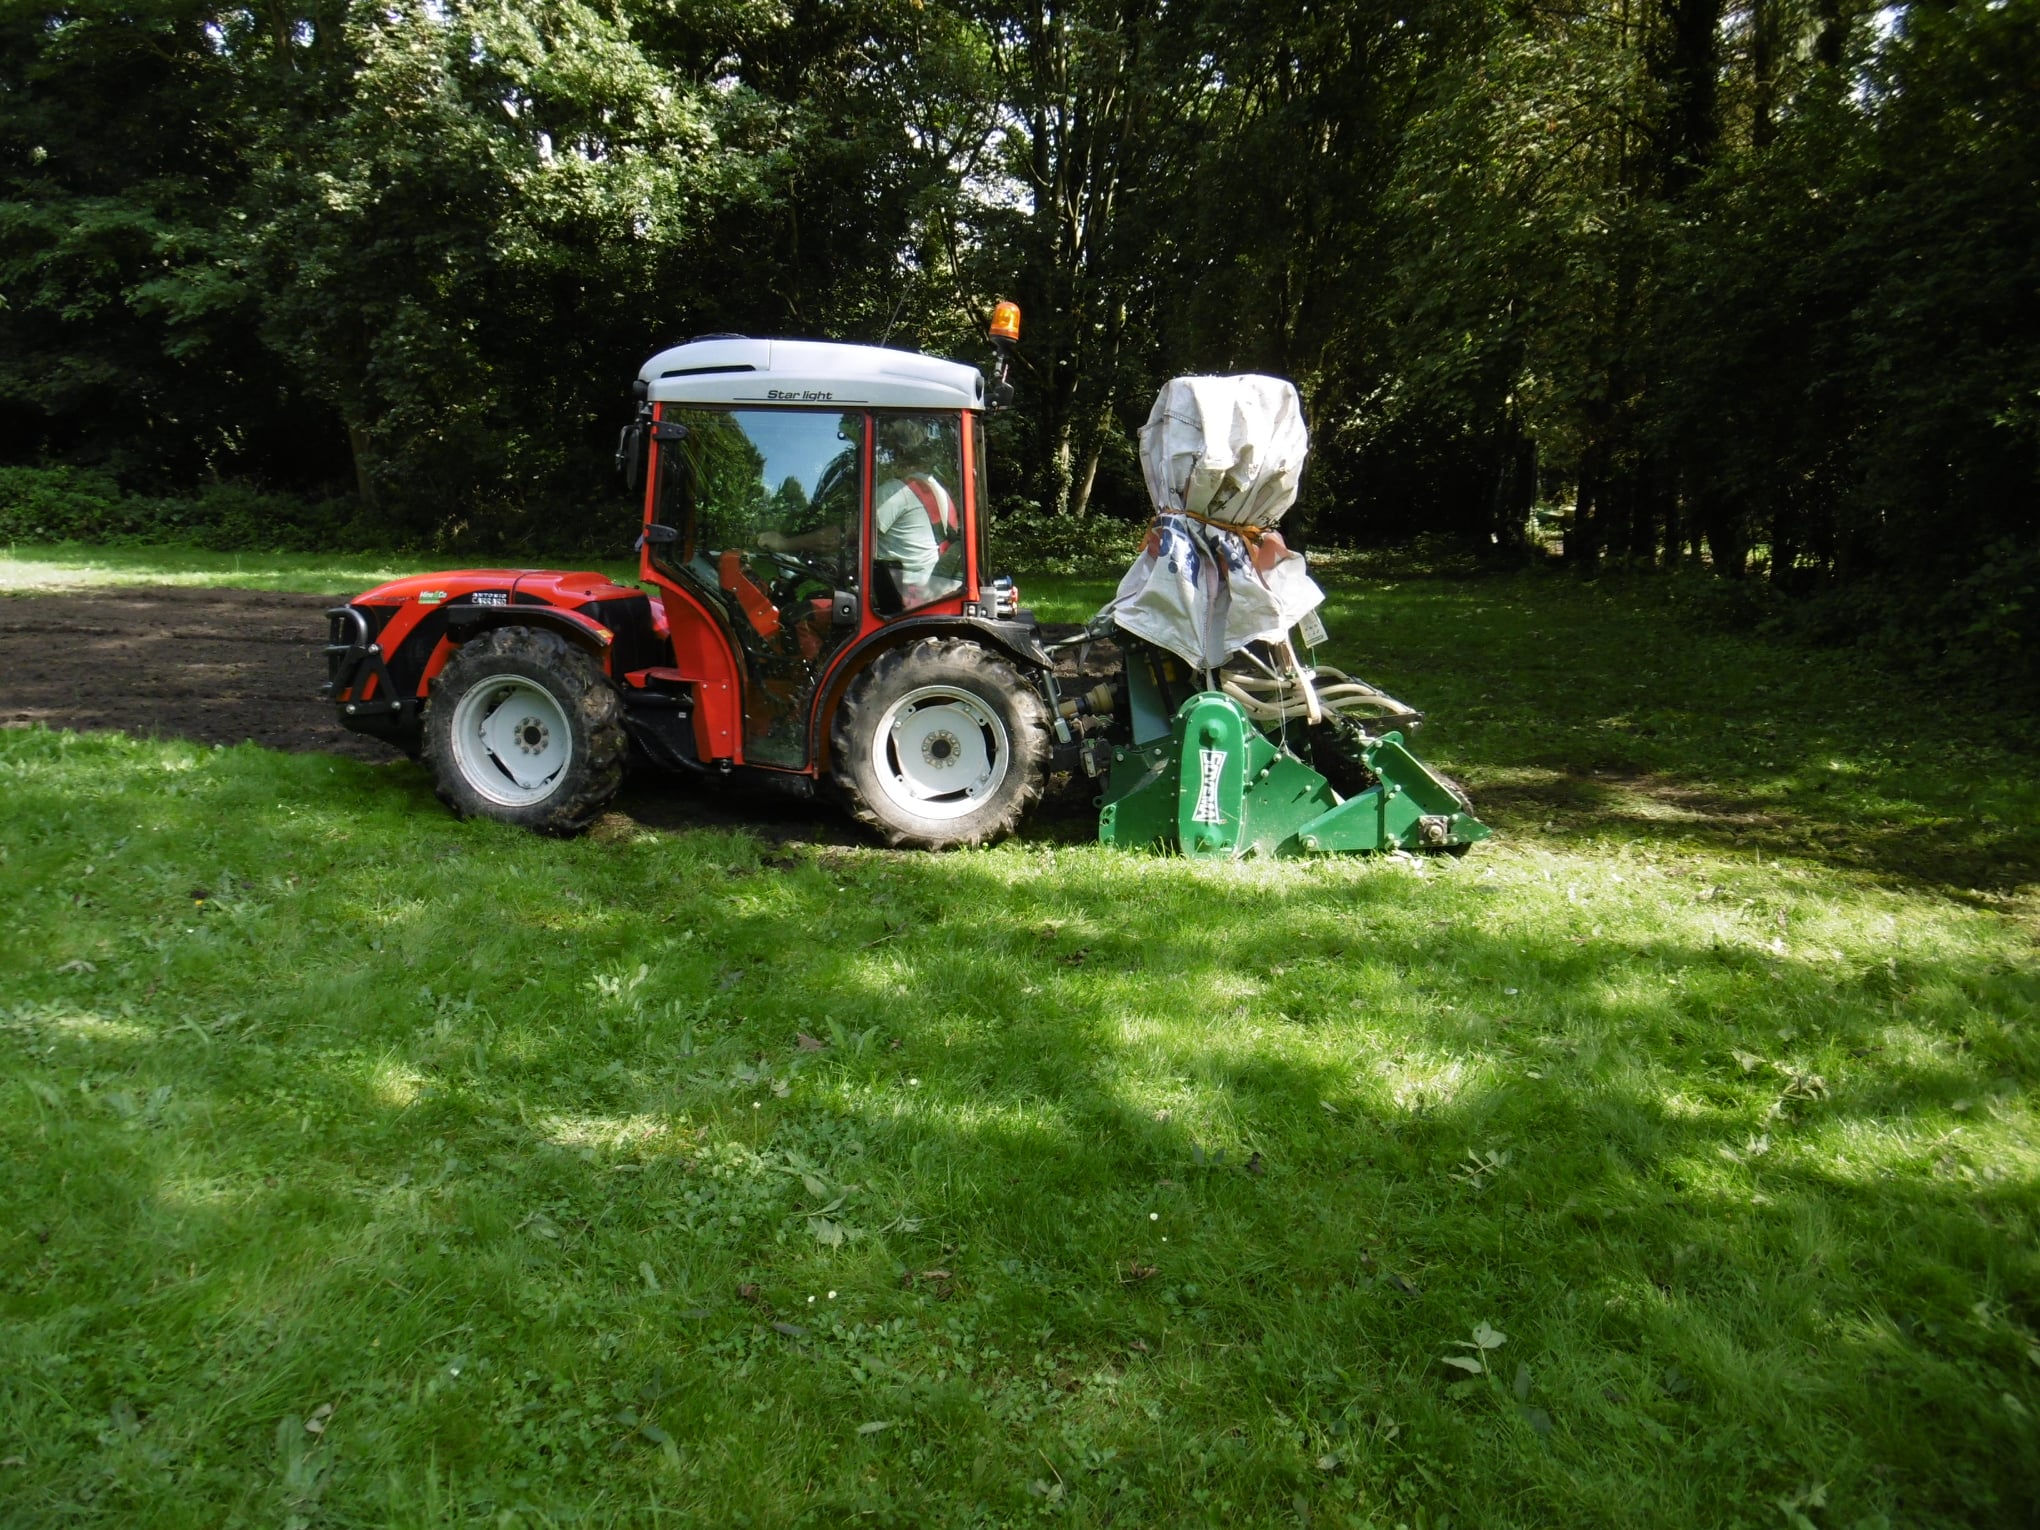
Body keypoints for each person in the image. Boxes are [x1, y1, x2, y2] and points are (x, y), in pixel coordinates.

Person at [758, 415, 960, 608]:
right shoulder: (938, 492)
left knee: (807, 614)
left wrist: (783, 543)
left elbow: (835, 539)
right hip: (927, 594)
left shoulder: (897, 492)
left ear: (895, 452)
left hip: (898, 600)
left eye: (884, 447)